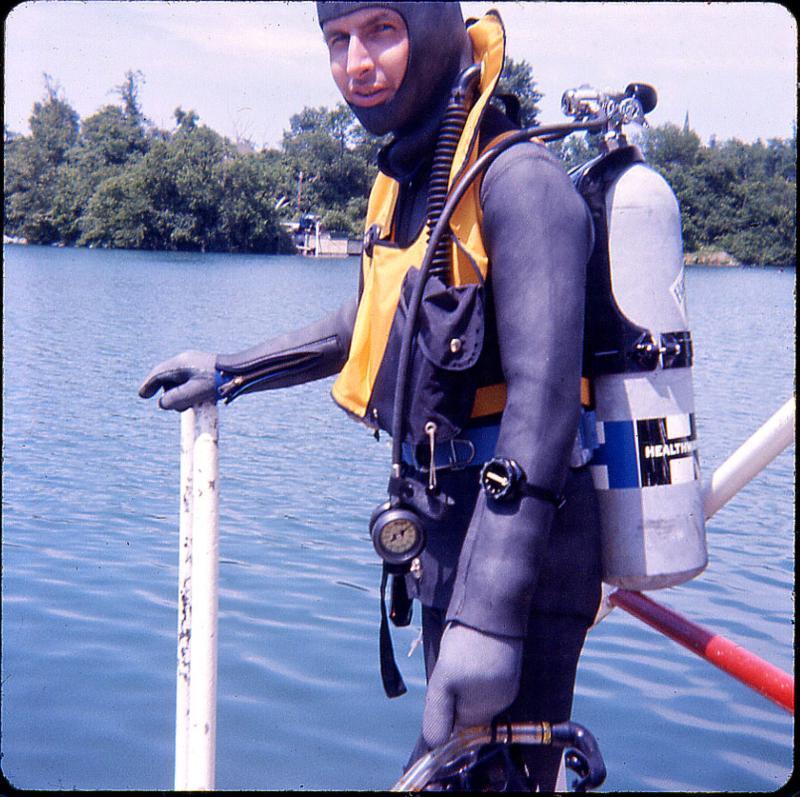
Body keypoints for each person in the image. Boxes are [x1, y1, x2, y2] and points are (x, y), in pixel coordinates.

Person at [139, 2, 602, 789]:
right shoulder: (413, 186)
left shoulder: (520, 183)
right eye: (337, 41)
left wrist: (489, 615)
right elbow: (369, 320)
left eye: (381, 30)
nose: (356, 62)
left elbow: (545, 401)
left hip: (526, 553)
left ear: (436, 30)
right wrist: (235, 369)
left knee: (491, 774)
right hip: (446, 533)